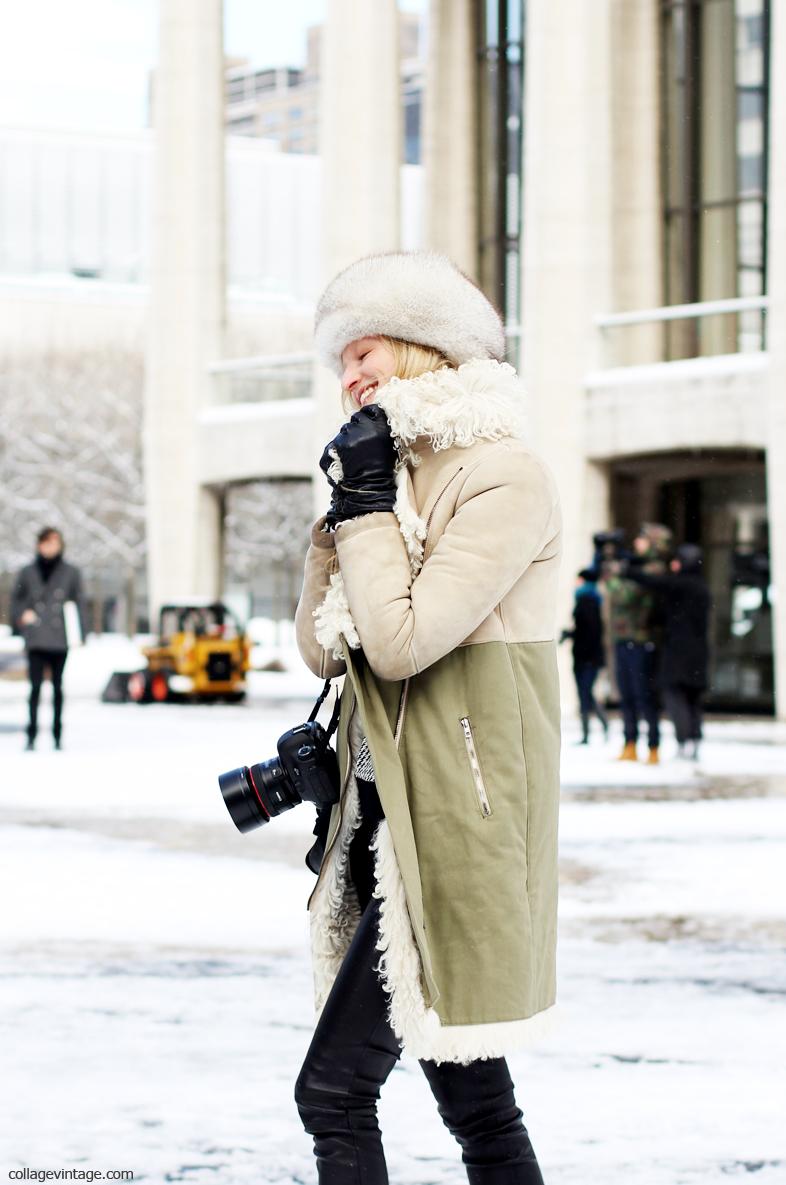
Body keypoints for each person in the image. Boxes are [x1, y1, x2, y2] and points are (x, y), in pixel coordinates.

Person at [293, 251, 563, 1184]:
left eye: (363, 353)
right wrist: (342, 521)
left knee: (333, 1092)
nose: (350, 377)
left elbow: (403, 643)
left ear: (420, 347)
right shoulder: (389, 479)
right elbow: (326, 653)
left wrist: (366, 509)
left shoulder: (503, 476)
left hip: (453, 827)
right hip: (383, 823)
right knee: (478, 1103)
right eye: (340, 365)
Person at [624, 543, 711, 759]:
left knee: (674, 695)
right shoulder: (702, 587)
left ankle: (684, 740)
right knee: (692, 698)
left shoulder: (680, 585)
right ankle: (694, 740)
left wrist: (629, 570)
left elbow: (654, 582)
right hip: (699, 652)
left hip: (678, 651)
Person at [595, 523, 672, 765]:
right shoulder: (634, 566)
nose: (637, 543)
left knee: (644, 695)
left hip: (642, 640)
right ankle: (630, 743)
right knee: (626, 694)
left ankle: (653, 746)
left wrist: (617, 572)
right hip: (624, 639)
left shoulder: (654, 569)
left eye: (642, 539)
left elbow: (622, 595)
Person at [10, 527, 87, 751]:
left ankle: (57, 734)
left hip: (60, 637)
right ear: (39, 544)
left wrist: (81, 633)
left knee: (57, 688)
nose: (51, 547)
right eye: (47, 542)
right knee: (34, 688)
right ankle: (31, 734)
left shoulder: (70, 572)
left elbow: (80, 603)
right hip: (36, 637)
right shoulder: (28, 571)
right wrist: (22, 616)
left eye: (55, 542)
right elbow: (16, 600)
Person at [560, 567, 609, 744]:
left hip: (586, 657)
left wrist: (571, 635)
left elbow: (589, 632)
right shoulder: (589, 600)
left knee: (585, 693)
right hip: (587, 656)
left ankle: (591, 730)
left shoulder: (587, 602)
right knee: (585, 693)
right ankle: (597, 727)